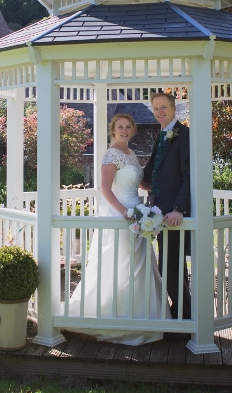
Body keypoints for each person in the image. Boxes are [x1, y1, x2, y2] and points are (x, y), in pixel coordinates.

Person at [64, 113, 167, 345]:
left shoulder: (130, 154)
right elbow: (105, 188)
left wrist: (164, 186)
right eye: (120, 127)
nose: (124, 130)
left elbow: (139, 182)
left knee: (138, 265)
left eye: (128, 127)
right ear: (113, 130)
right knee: (120, 265)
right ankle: (113, 316)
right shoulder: (110, 154)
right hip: (121, 216)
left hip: (140, 216)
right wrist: (123, 212)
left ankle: (142, 316)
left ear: (132, 130)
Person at [141, 91, 192, 340]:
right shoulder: (161, 135)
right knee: (173, 265)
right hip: (160, 213)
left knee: (170, 266)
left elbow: (188, 175)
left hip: (174, 214)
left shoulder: (184, 136)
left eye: (163, 107)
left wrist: (179, 208)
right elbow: (152, 173)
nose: (159, 112)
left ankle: (185, 319)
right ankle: (182, 313)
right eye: (155, 108)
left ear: (174, 108)